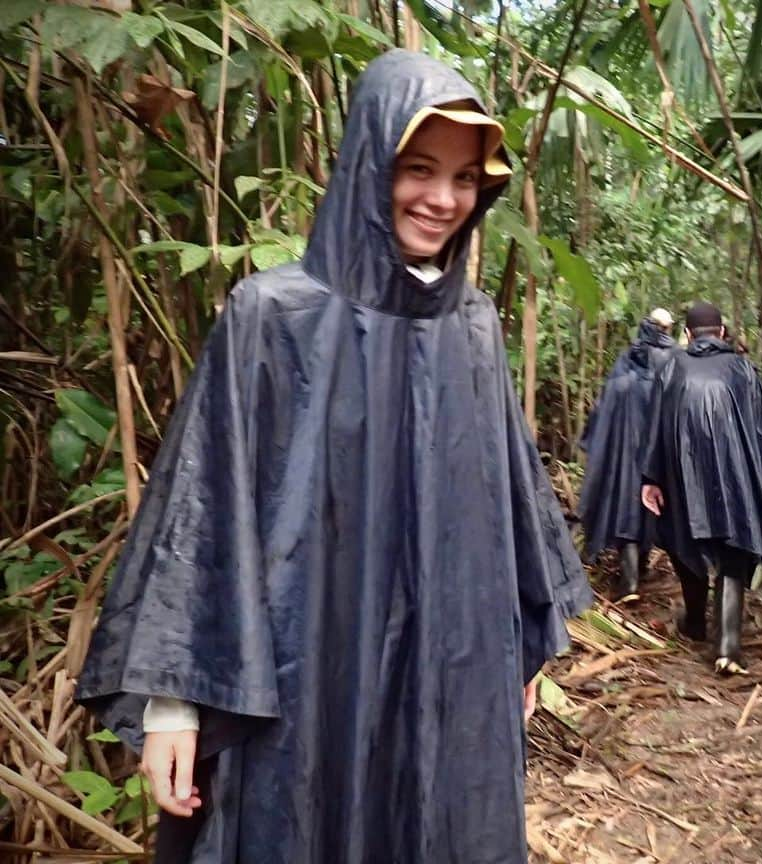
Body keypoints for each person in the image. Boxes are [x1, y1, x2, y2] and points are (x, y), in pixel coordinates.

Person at [75, 50, 593, 864]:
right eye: (418, 169)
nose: (443, 199)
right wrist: (173, 710)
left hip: (446, 678)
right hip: (298, 681)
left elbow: (503, 509)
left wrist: (517, 643)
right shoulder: (271, 315)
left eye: (465, 180)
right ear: (368, 165)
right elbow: (203, 519)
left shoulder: (474, 328)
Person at [640, 301, 762, 674]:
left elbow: (655, 426)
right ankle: (727, 646)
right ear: (722, 332)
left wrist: (651, 479)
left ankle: (694, 622)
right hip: (735, 478)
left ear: (687, 335)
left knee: (682, 539)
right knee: (733, 547)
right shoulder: (742, 369)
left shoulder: (670, 366)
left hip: (682, 476)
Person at [577, 308, 675, 601]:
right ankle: (635, 575)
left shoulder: (628, 360)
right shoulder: (674, 361)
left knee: (627, 506)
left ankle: (632, 577)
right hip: (656, 452)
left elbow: (606, 403)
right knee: (649, 509)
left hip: (625, 451)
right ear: (668, 330)